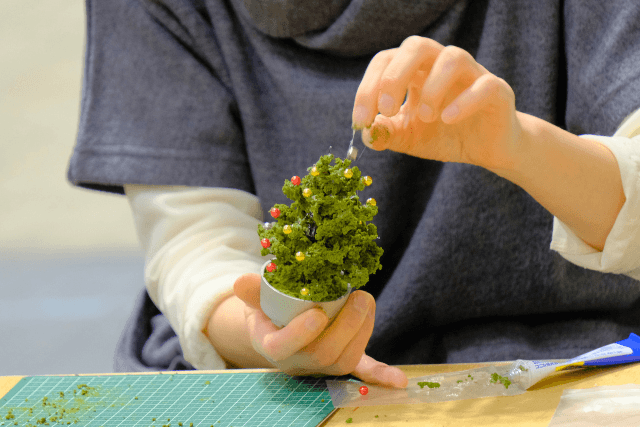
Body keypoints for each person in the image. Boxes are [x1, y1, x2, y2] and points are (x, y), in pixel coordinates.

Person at [68, 0, 640, 389]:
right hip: (259, 373)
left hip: (567, 358)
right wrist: (269, 335)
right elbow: (195, 240)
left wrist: (520, 145)